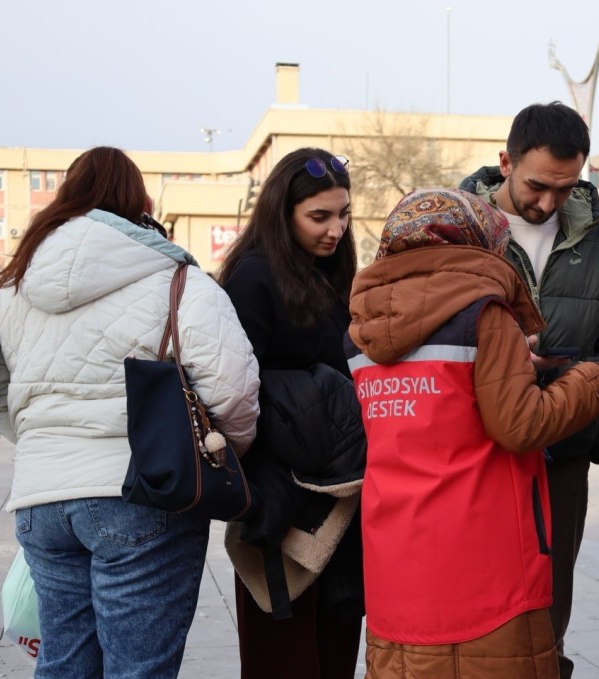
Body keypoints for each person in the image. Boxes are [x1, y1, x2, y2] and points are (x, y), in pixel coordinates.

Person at [0, 146, 260, 678]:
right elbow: (234, 391)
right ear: (141, 202)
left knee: (63, 662)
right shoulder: (178, 279)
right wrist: (218, 454)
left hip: (41, 498)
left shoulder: (14, 288)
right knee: (138, 669)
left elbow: (8, 397)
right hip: (142, 491)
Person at [344, 188, 599, 678]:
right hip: (483, 563)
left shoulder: (362, 329)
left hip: (395, 560)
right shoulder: (482, 314)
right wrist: (595, 381)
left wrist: (512, 365)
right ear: (479, 244)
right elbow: (521, 424)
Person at [459, 102, 599, 676]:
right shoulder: (455, 225)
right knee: (474, 596)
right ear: (505, 163)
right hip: (474, 450)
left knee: (550, 595)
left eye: (565, 189)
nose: (547, 203)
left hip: (564, 446)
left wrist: (598, 429)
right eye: (537, 185)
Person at [216, 147, 366, 679]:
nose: (335, 229)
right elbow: (232, 390)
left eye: (343, 213)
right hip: (278, 497)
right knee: (282, 651)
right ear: (283, 213)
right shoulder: (254, 276)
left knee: (336, 641)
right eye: (320, 216)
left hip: (339, 495)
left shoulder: (334, 272)